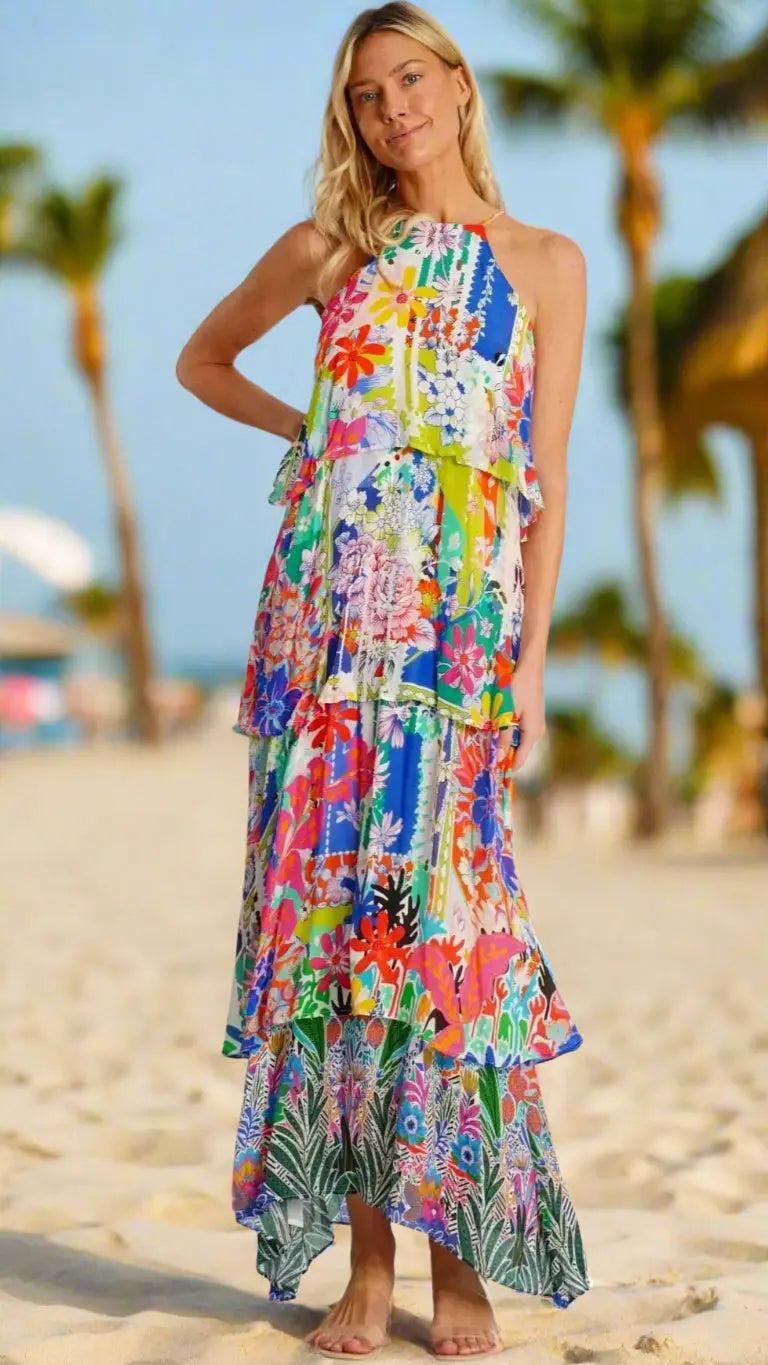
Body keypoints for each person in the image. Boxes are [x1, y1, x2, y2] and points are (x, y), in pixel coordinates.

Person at [176, 2, 589, 1357]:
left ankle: (457, 1260)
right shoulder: (328, 251)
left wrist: (525, 661)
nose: (392, 106)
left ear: (460, 88)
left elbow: (549, 484)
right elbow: (200, 358)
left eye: (411, 77)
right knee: (348, 946)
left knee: (450, 944)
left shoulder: (544, 266)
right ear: (351, 120)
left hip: (456, 659)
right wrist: (318, 432)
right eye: (366, 94)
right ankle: (367, 1261)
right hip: (327, 656)